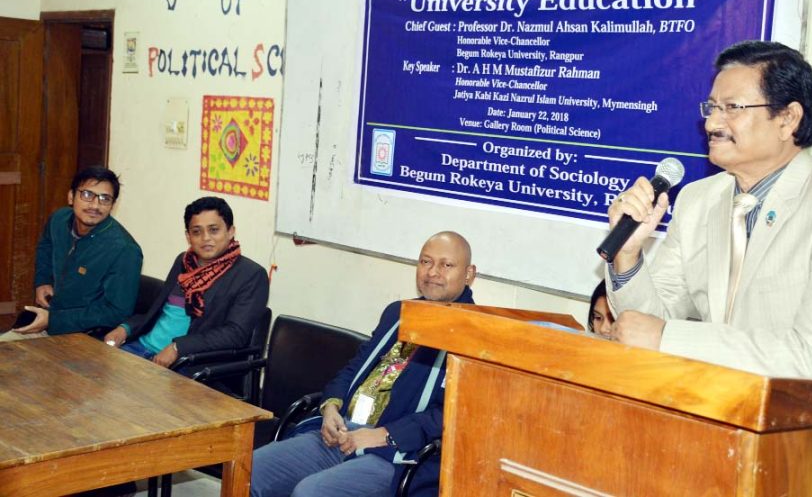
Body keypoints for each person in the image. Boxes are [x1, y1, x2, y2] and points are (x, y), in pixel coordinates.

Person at [604, 40, 812, 496]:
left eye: (733, 107)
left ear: (788, 119)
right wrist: (628, 257)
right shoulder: (700, 201)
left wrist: (668, 338)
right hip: (718, 448)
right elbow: (645, 322)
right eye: (712, 106)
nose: (713, 122)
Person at [250, 231, 477, 497]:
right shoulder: (398, 312)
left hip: (394, 454)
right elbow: (354, 367)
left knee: (311, 492)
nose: (433, 272)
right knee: (249, 470)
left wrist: (386, 434)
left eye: (446, 265)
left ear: (469, 274)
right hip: (340, 433)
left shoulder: (475, 333)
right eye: (426, 262)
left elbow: (455, 413)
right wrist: (331, 407)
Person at [103, 196, 269, 369]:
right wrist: (125, 328)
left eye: (214, 230)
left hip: (186, 363)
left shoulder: (251, 275)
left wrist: (178, 347)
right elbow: (157, 312)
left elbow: (235, 334)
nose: (206, 238)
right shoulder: (183, 261)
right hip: (141, 347)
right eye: (197, 232)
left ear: (230, 231)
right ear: (188, 236)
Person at [1, 166, 142, 341]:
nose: (95, 205)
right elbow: (46, 246)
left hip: (85, 337)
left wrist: (53, 320)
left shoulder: (124, 250)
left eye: (105, 199)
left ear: (113, 205)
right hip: (48, 320)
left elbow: (116, 312)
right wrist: (42, 280)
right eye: (87, 195)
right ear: (71, 196)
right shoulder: (59, 219)